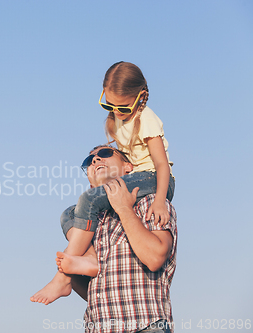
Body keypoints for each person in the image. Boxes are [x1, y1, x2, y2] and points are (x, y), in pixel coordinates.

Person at [30, 61, 175, 305]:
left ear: (140, 97)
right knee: (70, 213)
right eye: (109, 105)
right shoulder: (94, 216)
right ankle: (89, 259)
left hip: (155, 178)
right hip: (104, 323)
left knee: (86, 202)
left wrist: (160, 200)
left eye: (107, 154)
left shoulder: (147, 121)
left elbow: (161, 164)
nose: (117, 111)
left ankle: (61, 278)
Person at [61, 145, 177, 333]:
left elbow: (155, 258)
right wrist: (68, 273)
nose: (95, 160)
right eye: (88, 161)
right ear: (90, 183)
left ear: (129, 167)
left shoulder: (151, 203)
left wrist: (123, 208)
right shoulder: (88, 224)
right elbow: (93, 289)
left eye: (105, 154)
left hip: (145, 326)